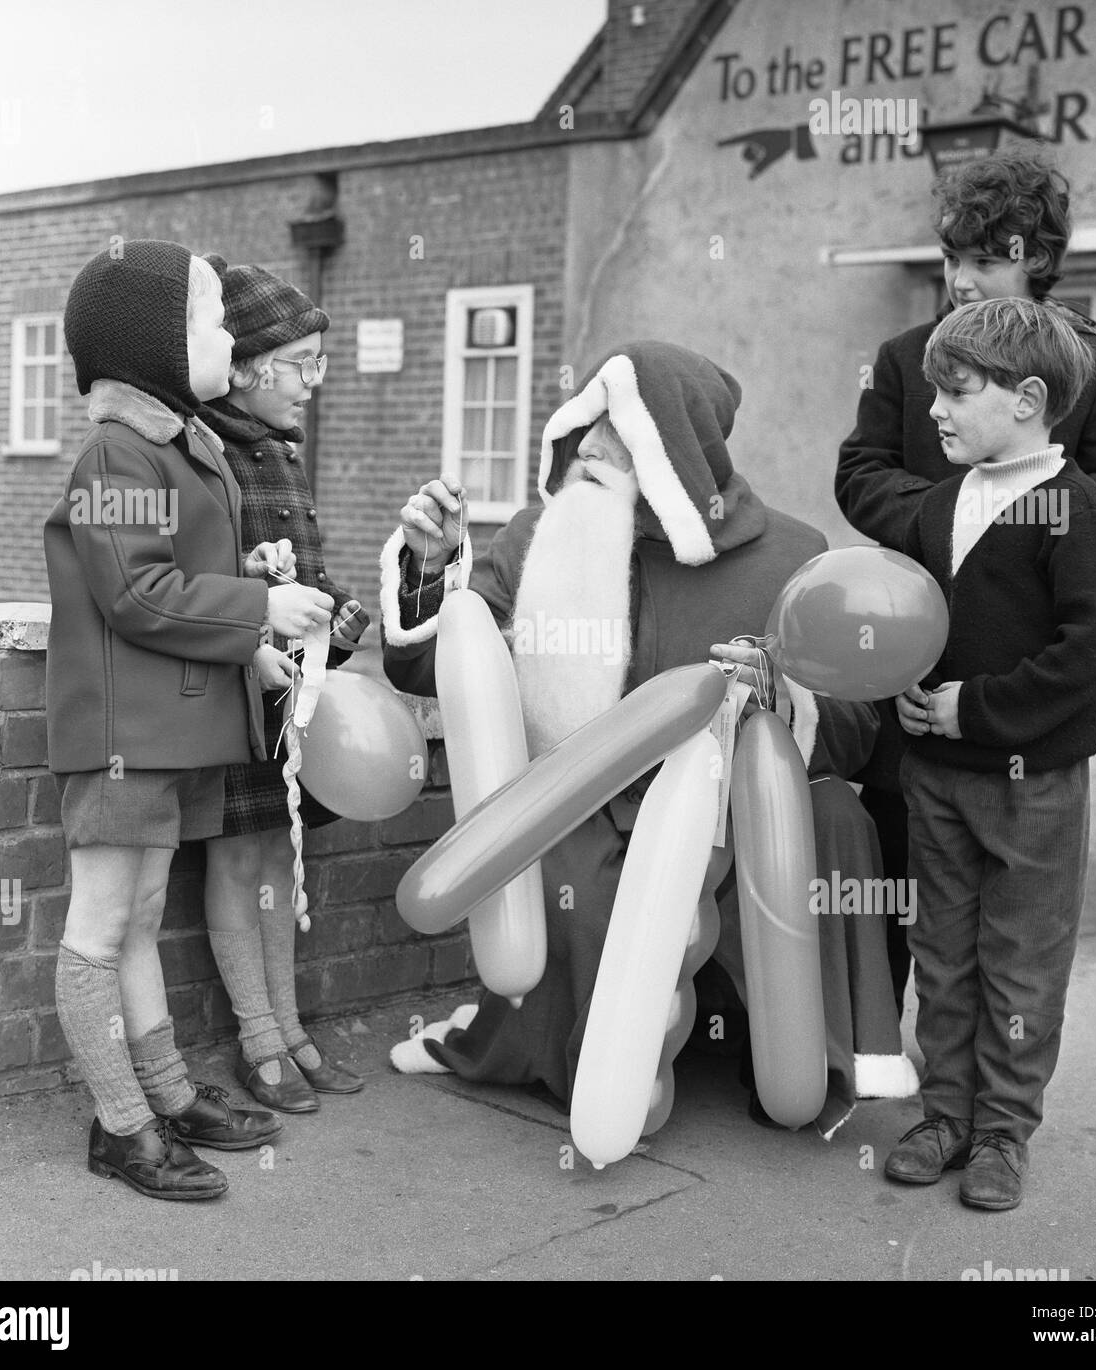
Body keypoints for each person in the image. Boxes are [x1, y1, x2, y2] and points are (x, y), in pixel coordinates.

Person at [381, 340, 917, 1138]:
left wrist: (779, 696)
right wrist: (432, 568)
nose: (592, 446)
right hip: (587, 799)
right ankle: (576, 1059)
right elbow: (441, 671)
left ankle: (810, 1056)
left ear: (683, 449)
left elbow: (855, 721)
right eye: (588, 420)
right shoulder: (536, 535)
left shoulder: (795, 553)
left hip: (739, 800)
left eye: (620, 428)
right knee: (575, 873)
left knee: (836, 815)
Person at [44, 239, 334, 1199]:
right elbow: (137, 593)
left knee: (137, 923)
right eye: (211, 320)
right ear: (158, 345)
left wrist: (244, 613)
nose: (226, 335)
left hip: (166, 733)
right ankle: (120, 1124)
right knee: (101, 928)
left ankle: (164, 1095)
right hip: (125, 738)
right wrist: (256, 612)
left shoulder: (174, 443)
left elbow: (176, 584)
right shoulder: (114, 450)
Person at [834, 146, 1096, 1015]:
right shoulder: (905, 356)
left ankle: (993, 1106)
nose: (961, 278)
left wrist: (1019, 531)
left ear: (1036, 259)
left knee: (1013, 914)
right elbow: (858, 473)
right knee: (903, 872)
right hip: (912, 653)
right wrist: (955, 515)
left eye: (986, 258)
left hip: (1019, 673)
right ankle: (881, 1052)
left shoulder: (1094, 363)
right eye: (950, 258)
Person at [885, 296, 1096, 1210]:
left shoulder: (1079, 512)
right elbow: (891, 616)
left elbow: (1091, 647)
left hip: (1033, 785)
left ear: (1028, 399)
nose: (936, 410)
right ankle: (943, 1111)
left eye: (955, 391)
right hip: (934, 780)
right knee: (941, 952)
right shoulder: (941, 502)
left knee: (1022, 959)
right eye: (932, 392)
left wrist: (974, 712)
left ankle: (1001, 1131)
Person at [199, 257, 370, 1113]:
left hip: (289, 695)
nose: (315, 382)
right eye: (301, 365)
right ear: (242, 367)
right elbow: (193, 576)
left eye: (320, 362)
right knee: (238, 857)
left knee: (279, 854)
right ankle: (257, 1039)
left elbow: (310, 572)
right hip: (235, 686)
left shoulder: (281, 453)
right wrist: (257, 590)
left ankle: (291, 1028)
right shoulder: (202, 453)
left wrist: (341, 614)